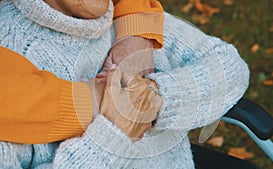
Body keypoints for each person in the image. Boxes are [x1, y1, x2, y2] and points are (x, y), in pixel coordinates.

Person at [0, 0, 250, 168]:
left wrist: (157, 99)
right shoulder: (13, 49)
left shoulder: (119, 17)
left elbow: (229, 66)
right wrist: (109, 137)